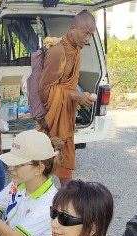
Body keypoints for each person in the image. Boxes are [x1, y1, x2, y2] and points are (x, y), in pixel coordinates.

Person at [39, 11, 97, 186]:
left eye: (91, 34)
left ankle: (65, 200)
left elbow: (69, 84)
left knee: (65, 159)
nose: (87, 38)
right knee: (43, 161)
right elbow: (44, 90)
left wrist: (79, 97)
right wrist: (74, 95)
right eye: (85, 32)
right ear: (73, 28)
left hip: (66, 113)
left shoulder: (76, 49)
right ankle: (37, 201)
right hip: (53, 114)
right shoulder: (58, 51)